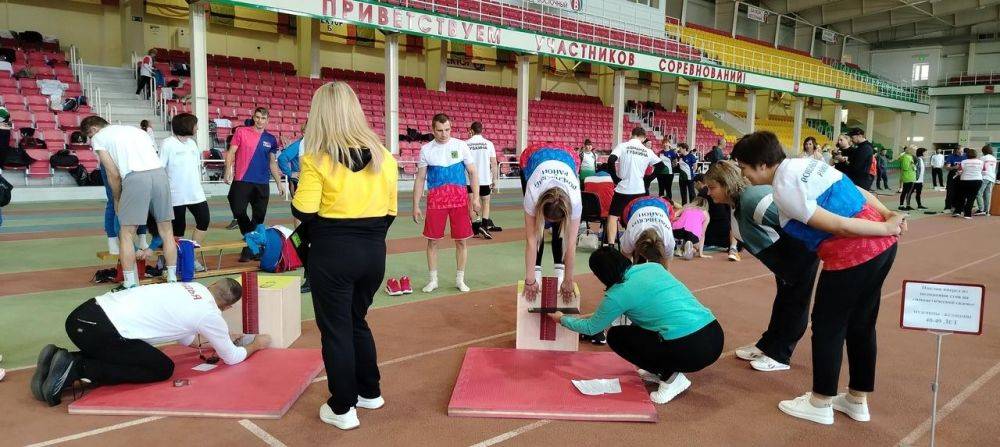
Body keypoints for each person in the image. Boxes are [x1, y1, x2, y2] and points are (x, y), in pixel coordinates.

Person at [731, 131, 904, 426]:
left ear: (761, 164)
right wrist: (888, 216)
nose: (744, 176)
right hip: (882, 250)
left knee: (827, 327)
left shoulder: (785, 187)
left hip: (854, 253)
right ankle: (856, 399)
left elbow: (840, 227)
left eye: (744, 168)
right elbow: (858, 192)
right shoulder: (806, 164)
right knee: (862, 324)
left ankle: (821, 402)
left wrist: (889, 227)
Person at [291, 81, 398, 430]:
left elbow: (304, 211)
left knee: (336, 331)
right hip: (373, 252)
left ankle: (342, 408)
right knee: (356, 321)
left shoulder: (316, 160)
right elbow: (390, 213)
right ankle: (370, 391)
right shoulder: (385, 157)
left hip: (332, 253)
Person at [31, 279, 272, 406]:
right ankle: (76, 367)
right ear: (228, 306)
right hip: (100, 330)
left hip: (83, 317)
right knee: (161, 368)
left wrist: (216, 340)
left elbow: (184, 332)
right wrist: (257, 344)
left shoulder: (192, 287)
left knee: (123, 349)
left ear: (212, 285)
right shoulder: (211, 315)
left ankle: (57, 358)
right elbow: (232, 358)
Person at [551, 247, 722, 405]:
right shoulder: (653, 267)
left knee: (617, 336)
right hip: (714, 334)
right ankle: (661, 370)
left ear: (601, 274)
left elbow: (591, 328)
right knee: (641, 328)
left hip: (692, 349)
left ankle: (671, 378)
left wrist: (562, 319)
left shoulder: (617, 294)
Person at [705, 161, 819, 372]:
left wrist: (801, 255)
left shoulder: (755, 199)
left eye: (712, 188)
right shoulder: (737, 204)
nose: (709, 193)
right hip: (784, 259)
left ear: (727, 184)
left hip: (800, 252)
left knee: (795, 302)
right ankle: (768, 345)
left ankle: (781, 354)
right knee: (784, 300)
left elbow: (799, 217)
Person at [82, 116, 177, 288]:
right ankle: (171, 277)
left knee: (125, 234)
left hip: (136, 177)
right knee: (167, 231)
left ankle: (129, 283)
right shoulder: (136, 130)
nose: (90, 140)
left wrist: (117, 198)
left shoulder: (98, 138)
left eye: (89, 135)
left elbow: (112, 174)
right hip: (160, 175)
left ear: (94, 129)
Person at [412, 113, 481, 293]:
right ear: (433, 130)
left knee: (461, 241)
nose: (444, 134)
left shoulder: (461, 145)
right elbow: (420, 179)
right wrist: (415, 205)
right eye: (440, 130)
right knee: (433, 242)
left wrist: (475, 198)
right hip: (436, 202)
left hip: (459, 202)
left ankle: (460, 279)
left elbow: (473, 172)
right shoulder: (426, 149)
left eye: (447, 129)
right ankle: (433, 280)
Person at [519, 143, 581, 303]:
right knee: (536, 232)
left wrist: (568, 280)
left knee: (562, 234)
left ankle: (559, 273)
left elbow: (571, 243)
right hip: (533, 157)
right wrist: (530, 280)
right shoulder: (532, 195)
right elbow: (531, 240)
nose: (549, 224)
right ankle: (537, 272)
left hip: (568, 157)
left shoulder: (575, 201)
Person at [225, 107, 286, 262]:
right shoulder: (241, 132)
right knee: (238, 210)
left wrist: (279, 183)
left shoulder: (271, 139)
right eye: (257, 117)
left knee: (259, 217)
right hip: (242, 179)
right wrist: (228, 170)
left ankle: (250, 248)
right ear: (254, 117)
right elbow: (231, 152)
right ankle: (253, 241)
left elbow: (273, 163)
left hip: (262, 183)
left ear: (268, 120)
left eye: (263, 118)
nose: (260, 121)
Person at [158, 113, 209, 271]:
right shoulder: (168, 144)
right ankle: (166, 259)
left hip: (195, 193)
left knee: (204, 220)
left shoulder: (192, 144)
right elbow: (160, 168)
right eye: (195, 124)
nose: (197, 127)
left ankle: (191, 257)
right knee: (177, 230)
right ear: (187, 125)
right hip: (175, 195)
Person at [603, 127, 666, 247]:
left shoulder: (623, 146)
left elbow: (611, 160)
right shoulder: (646, 150)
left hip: (623, 188)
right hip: (639, 190)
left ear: (632, 134)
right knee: (638, 218)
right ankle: (637, 245)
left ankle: (610, 245)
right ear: (643, 138)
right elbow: (662, 166)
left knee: (613, 216)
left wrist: (615, 178)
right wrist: (648, 178)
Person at [619, 195, 675, 269]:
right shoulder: (631, 234)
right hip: (635, 205)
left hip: (662, 205)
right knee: (628, 253)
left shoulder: (668, 241)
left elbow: (666, 267)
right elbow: (626, 255)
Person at [465, 121, 499, 239]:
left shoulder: (466, 144)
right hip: (485, 179)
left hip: (470, 180)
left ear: (471, 130)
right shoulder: (488, 144)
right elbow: (494, 163)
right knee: (486, 203)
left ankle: (475, 230)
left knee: (472, 204)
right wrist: (495, 179)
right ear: (482, 130)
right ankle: (484, 226)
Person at [955, 147, 984, 219]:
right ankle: (967, 214)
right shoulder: (981, 162)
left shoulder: (963, 162)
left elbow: (959, 171)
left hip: (965, 180)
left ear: (967, 155)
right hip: (977, 180)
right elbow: (983, 171)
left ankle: (958, 212)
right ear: (976, 155)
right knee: (971, 198)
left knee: (961, 197)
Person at [277, 125, 305, 195]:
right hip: (300, 183)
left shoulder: (313, 145)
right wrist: (290, 173)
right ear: (304, 133)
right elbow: (282, 159)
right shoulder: (298, 145)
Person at [975, 145, 996, 216]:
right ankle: (987, 210)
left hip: (984, 177)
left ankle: (981, 209)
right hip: (992, 177)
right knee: (987, 194)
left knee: (978, 192)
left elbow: (979, 167)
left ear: (984, 151)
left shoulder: (982, 158)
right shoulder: (994, 158)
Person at [897, 146, 917, 211]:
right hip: (909, 177)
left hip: (909, 176)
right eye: (914, 150)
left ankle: (905, 205)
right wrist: (912, 164)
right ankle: (904, 205)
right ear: (910, 150)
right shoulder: (907, 157)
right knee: (908, 192)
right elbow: (905, 167)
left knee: (905, 192)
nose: (915, 151)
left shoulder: (909, 157)